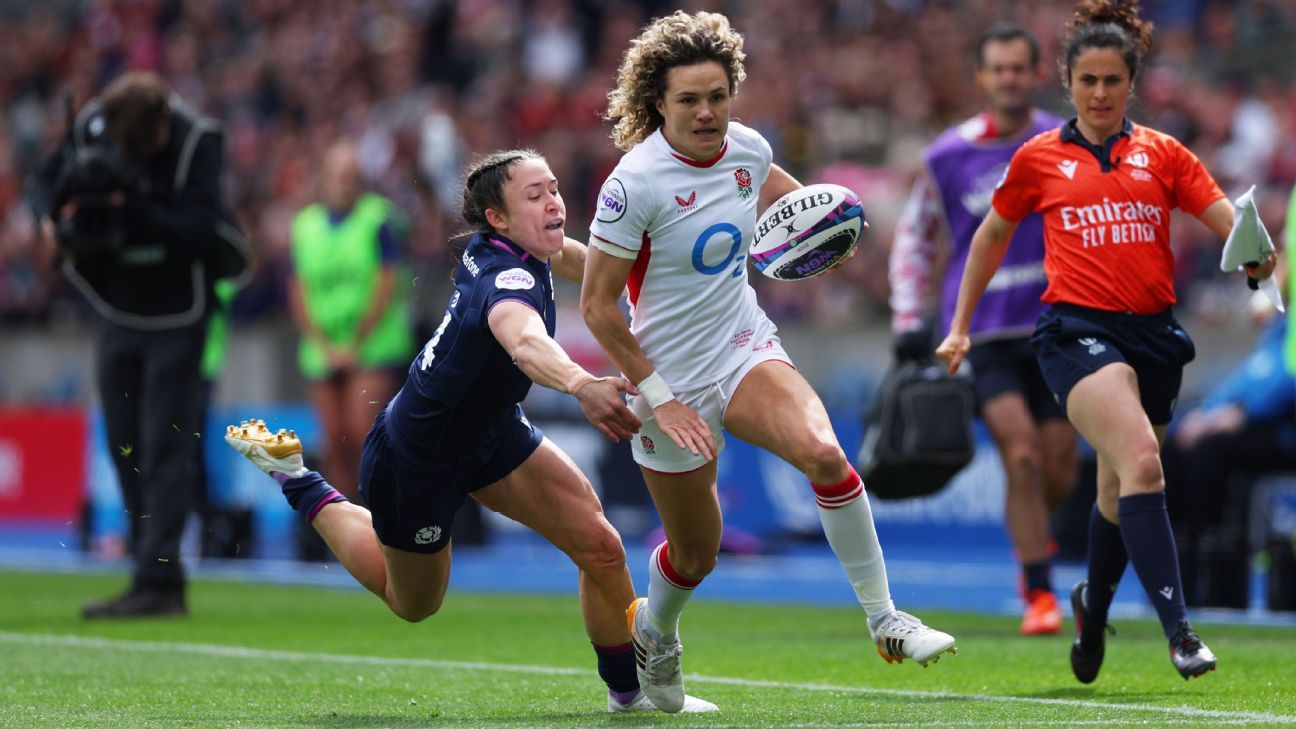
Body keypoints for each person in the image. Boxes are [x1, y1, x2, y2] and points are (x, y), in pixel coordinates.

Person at [227, 150, 717, 714]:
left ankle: (628, 695)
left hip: (492, 433)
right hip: (418, 456)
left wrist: (662, 271)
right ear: (496, 218)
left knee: (601, 548)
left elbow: (588, 263)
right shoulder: (506, 278)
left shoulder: (524, 249)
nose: (553, 201)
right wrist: (583, 384)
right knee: (411, 602)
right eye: (534, 196)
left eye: (553, 188)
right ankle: (298, 477)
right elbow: (527, 343)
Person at [581, 10, 956, 713]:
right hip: (666, 379)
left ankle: (885, 619)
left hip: (742, 345)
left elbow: (799, 210)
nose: (706, 112)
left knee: (824, 454)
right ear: (658, 102)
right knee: (696, 554)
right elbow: (601, 307)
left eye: (717, 96)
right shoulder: (634, 184)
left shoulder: (748, 150)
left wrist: (833, 233)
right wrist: (659, 397)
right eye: (689, 99)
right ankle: (654, 633)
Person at [935, 0, 1278, 682]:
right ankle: (1179, 631)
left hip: (1153, 338)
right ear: (1067, 81)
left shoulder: (1164, 154)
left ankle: (1092, 608)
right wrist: (960, 325)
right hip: (1075, 333)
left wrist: (1258, 260)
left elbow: (1232, 230)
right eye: (1087, 80)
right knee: (1145, 463)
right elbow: (990, 238)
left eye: (1112, 81)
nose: (1099, 93)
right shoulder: (1038, 158)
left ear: (1132, 82)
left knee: (1118, 492)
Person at [26, 71, 252, 618]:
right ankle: (145, 570)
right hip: (117, 306)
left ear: (163, 125)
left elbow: (200, 229)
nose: (137, 157)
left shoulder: (200, 141)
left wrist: (131, 207)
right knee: (124, 443)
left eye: (144, 148)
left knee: (165, 445)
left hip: (179, 313)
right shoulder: (95, 127)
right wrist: (48, 224)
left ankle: (161, 580)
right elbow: (44, 181)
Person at [889, 23, 1077, 636]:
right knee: (1020, 456)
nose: (1008, 79)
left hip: (1058, 324)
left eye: (1018, 68)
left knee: (1059, 469)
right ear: (981, 77)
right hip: (985, 334)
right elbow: (915, 240)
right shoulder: (946, 157)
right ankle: (1039, 592)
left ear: (1035, 73)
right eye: (997, 68)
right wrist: (910, 319)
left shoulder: (1064, 140)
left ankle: (1035, 543)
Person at [289, 141, 414, 501]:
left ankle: (382, 515)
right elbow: (298, 290)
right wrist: (327, 345)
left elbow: (387, 286)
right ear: (324, 178)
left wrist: (353, 342)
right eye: (338, 175)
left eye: (351, 175)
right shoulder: (305, 225)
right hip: (323, 348)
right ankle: (344, 522)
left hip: (374, 346)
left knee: (363, 432)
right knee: (332, 439)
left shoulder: (381, 219)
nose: (345, 182)